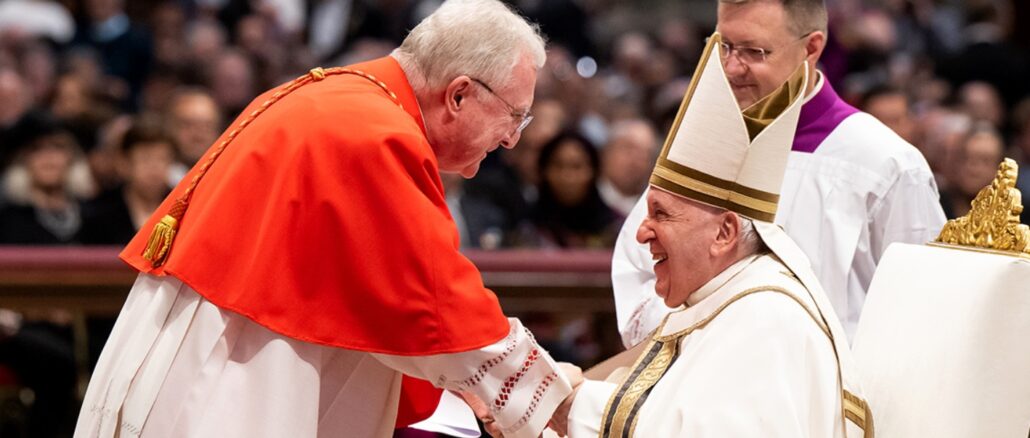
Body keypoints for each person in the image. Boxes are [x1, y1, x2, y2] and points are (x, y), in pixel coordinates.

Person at [74, 2, 579, 437]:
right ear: (459, 94)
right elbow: (431, 292)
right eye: (515, 116)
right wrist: (548, 396)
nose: (513, 139)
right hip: (228, 372)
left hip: (218, 344)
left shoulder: (343, 99)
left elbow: (376, 296)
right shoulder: (375, 132)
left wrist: (471, 382)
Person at [555, 33, 870, 438]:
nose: (642, 233)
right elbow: (673, 409)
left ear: (724, 233)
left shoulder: (767, 321)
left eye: (660, 214)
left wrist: (571, 408)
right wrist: (561, 399)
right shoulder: (719, 302)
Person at [613, 0, 946, 345]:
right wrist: (708, 340)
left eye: (754, 52)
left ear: (811, 47)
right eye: (723, 46)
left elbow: (923, 308)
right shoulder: (700, 143)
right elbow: (638, 271)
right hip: (698, 383)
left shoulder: (884, 164)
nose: (730, 67)